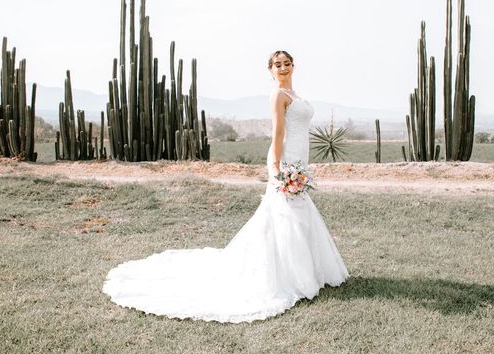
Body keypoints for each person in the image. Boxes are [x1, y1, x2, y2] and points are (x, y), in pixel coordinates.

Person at [102, 50, 349, 323]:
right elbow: (278, 132)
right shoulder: (277, 94)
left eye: (287, 64)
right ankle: (287, 276)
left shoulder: (295, 94)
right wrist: (277, 168)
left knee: (298, 211)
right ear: (270, 69)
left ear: (294, 66)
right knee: (284, 212)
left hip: (300, 157)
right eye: (277, 65)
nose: (282, 68)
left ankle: (305, 271)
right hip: (286, 158)